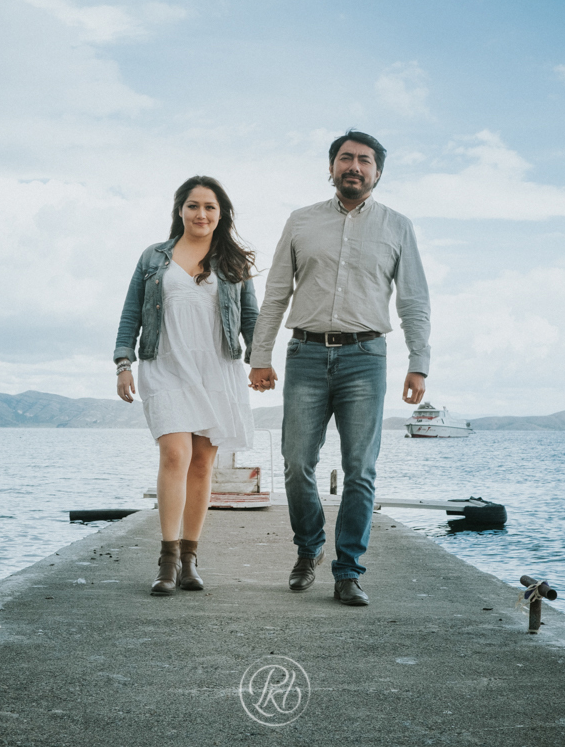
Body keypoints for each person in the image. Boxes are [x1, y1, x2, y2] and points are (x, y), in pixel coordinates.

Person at [249, 131, 430, 607]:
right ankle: (308, 548)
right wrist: (260, 356)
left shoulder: (398, 227)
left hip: (366, 358)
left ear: (377, 173)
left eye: (364, 160)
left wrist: (419, 362)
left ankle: (348, 570)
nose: (354, 166)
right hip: (305, 354)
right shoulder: (300, 222)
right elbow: (275, 294)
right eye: (345, 158)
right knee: (296, 463)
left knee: (360, 470)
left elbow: (413, 299)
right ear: (331, 168)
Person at [115, 176, 258, 596]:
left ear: (221, 213)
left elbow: (250, 318)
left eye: (210, 207)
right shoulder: (154, 257)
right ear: (180, 210)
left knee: (202, 462)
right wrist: (123, 362)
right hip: (164, 364)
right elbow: (130, 316)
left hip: (217, 369)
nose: (201, 214)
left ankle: (191, 559)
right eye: (193, 205)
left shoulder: (233, 262)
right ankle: (167, 559)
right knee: (175, 453)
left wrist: (259, 362)